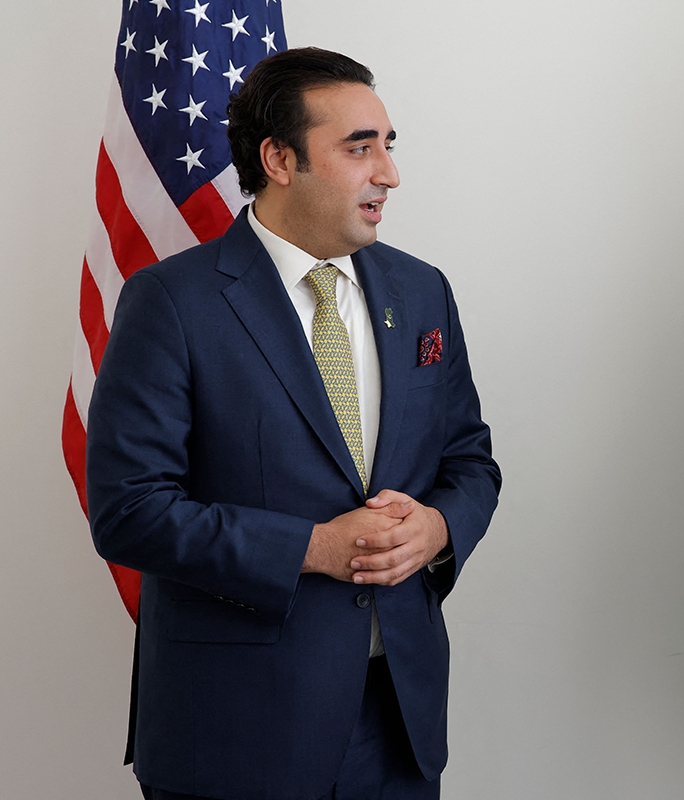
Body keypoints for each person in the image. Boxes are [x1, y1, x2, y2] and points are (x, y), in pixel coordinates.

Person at [86, 47, 500, 800]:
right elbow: (129, 511)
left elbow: (470, 458)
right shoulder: (171, 303)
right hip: (234, 733)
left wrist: (437, 527)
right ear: (279, 159)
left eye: (388, 145)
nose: (389, 173)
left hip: (398, 723)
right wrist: (313, 548)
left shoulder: (422, 291)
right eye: (359, 148)